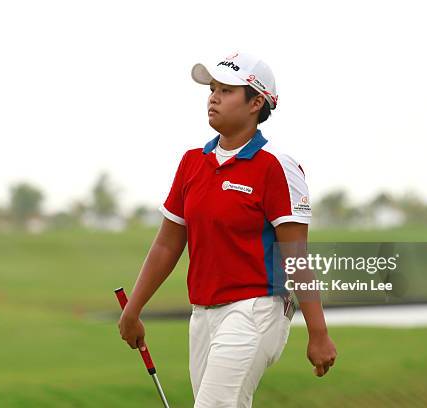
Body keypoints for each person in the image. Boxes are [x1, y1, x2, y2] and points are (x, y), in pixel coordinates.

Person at [118, 51, 337, 407]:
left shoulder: (276, 167)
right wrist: (134, 309)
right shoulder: (192, 163)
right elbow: (166, 246)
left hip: (256, 309)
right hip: (202, 314)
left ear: (256, 103)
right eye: (213, 89)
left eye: (226, 90)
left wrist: (319, 333)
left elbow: (295, 255)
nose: (213, 97)